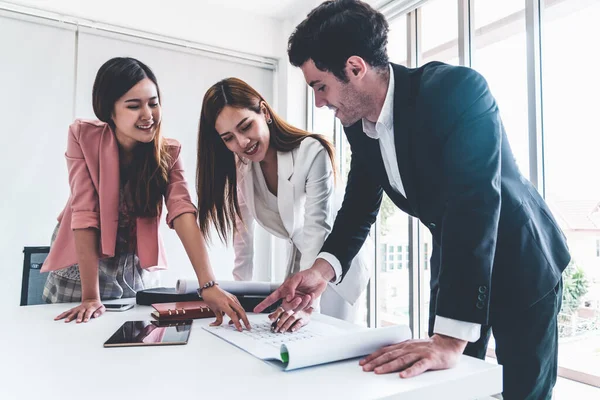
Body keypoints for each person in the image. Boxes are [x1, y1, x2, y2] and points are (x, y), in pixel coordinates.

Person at [254, 1, 571, 398]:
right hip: (455, 259)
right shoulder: (358, 124)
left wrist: (450, 340)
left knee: (522, 392)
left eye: (320, 87)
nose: (319, 102)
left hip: (522, 261)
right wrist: (320, 271)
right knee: (446, 387)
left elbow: (474, 204)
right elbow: (358, 207)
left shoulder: (457, 91)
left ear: (355, 68)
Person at [41, 57, 250, 331]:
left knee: (130, 345)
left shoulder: (168, 153)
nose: (148, 115)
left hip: (131, 270)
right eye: (133, 106)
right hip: (83, 265)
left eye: (153, 103)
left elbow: (183, 212)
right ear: (109, 110)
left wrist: (208, 285)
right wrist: (90, 296)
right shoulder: (83, 136)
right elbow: (84, 211)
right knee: (75, 339)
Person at [196, 77, 371, 331]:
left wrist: (309, 305)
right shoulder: (241, 168)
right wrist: (238, 297)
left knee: (326, 335)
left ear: (264, 112)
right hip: (302, 262)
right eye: (228, 138)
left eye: (245, 126)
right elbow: (242, 236)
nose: (242, 142)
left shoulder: (311, 152)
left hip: (336, 264)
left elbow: (316, 228)